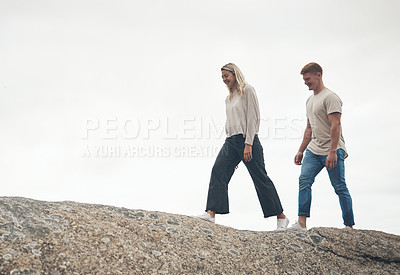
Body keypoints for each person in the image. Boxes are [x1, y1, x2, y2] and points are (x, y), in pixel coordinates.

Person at [196, 63, 289, 231]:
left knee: (260, 178)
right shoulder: (229, 98)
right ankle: (210, 213)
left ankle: (281, 217)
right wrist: (234, 156)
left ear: (235, 74)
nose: (224, 80)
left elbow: (253, 118)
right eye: (223, 77)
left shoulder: (247, 90)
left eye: (227, 76)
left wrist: (248, 144)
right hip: (231, 142)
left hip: (248, 140)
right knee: (218, 171)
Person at [288, 62, 355, 231]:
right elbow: (309, 128)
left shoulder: (330, 97)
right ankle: (301, 223)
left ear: (318, 75)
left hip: (332, 149)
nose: (305, 82)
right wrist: (301, 150)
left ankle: (349, 225)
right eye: (304, 80)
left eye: (308, 79)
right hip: (313, 149)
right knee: (304, 180)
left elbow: (336, 125)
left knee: (339, 186)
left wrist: (333, 152)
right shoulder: (309, 101)